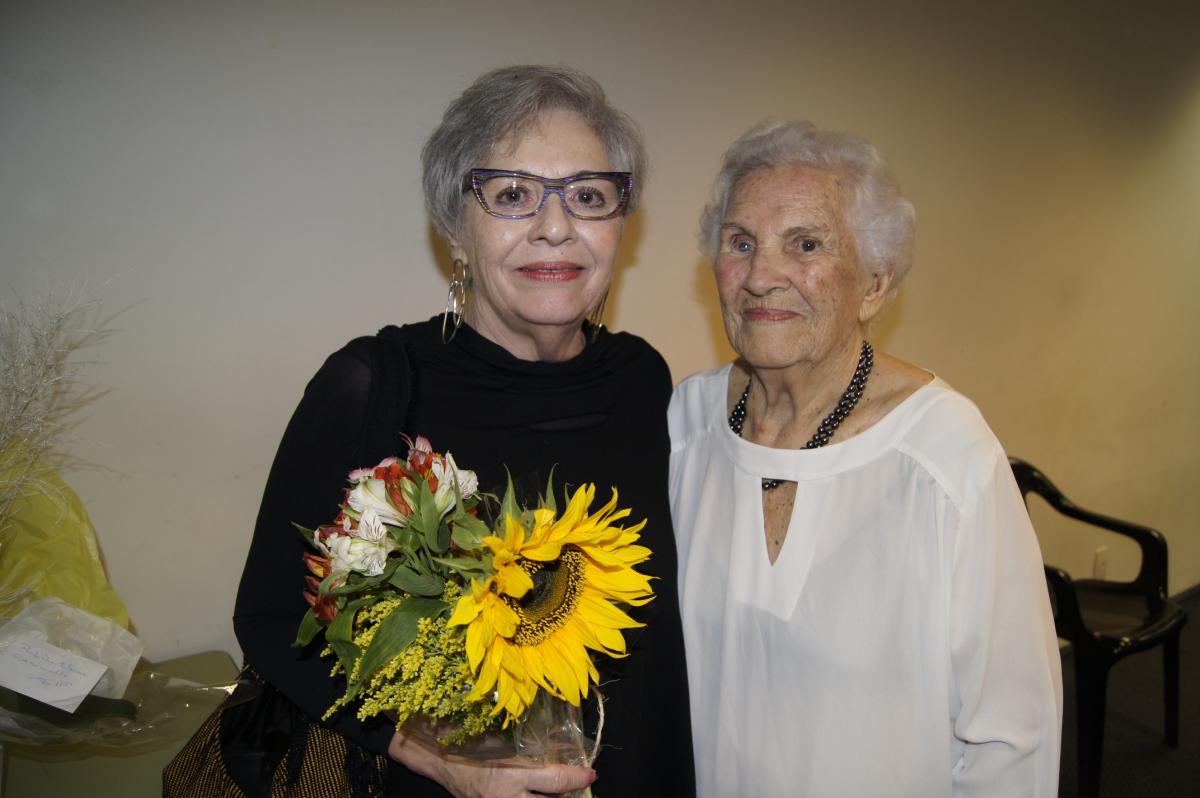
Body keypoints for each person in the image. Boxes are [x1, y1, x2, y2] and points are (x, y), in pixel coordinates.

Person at [167, 66, 695, 798]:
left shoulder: (643, 380)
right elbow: (269, 615)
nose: (555, 227)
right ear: (454, 227)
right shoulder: (373, 386)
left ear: (619, 224)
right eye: (511, 194)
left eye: (588, 196)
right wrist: (429, 751)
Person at [668, 120, 1062, 797]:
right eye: (741, 242)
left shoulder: (942, 454)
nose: (761, 276)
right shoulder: (686, 424)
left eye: (806, 244)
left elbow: (1010, 735)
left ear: (875, 285)